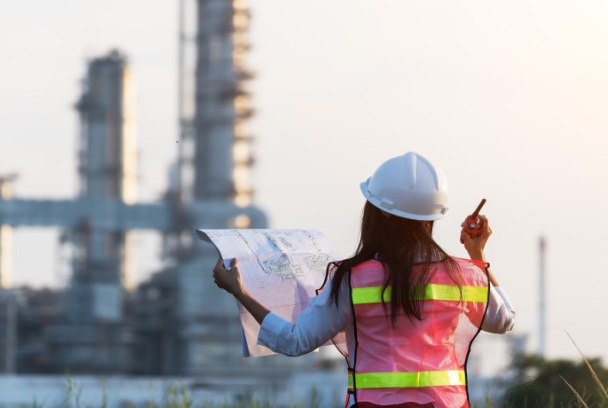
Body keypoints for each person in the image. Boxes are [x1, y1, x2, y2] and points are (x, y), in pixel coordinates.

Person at [212, 152, 515, 408]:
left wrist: (240, 290)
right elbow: (503, 321)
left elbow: (294, 341)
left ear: (378, 212)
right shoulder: (463, 275)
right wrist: (477, 254)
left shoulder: (351, 279)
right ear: (432, 218)